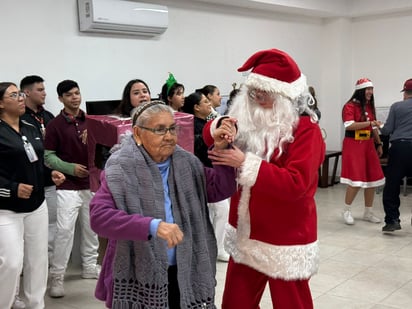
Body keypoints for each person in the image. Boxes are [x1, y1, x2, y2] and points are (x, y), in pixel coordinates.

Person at [203, 48, 325, 308]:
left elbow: (297, 183)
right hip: (246, 232)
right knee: (236, 303)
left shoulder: (306, 130)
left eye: (264, 93)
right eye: (252, 92)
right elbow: (208, 135)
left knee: (291, 303)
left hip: (286, 236)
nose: (256, 98)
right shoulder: (247, 118)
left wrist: (245, 163)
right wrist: (218, 128)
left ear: (284, 96)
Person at [89, 101, 237, 308]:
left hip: (185, 271)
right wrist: (152, 226)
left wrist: (222, 149)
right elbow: (99, 218)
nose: (169, 136)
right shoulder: (120, 168)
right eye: (159, 130)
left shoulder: (188, 163)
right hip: (139, 273)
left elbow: (221, 188)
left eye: (172, 128)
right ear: (138, 133)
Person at [0, 82, 65, 309]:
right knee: (11, 263)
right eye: (13, 94)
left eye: (20, 93)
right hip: (6, 210)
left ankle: (35, 304)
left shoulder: (30, 126)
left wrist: (51, 174)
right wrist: (12, 188)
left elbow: (36, 162)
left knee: (38, 261)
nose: (20, 97)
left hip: (37, 205)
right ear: (0, 103)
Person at [44, 80, 100, 298]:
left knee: (91, 228)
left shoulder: (93, 122)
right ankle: (57, 277)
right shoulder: (55, 125)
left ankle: (89, 267)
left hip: (91, 184)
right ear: (61, 98)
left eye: (77, 93)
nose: (75, 97)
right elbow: (48, 157)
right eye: (69, 95)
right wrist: (70, 168)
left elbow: (104, 150)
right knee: (65, 231)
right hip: (67, 185)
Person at [181, 92, 230, 262]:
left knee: (215, 211)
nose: (209, 104)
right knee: (220, 210)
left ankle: (213, 247)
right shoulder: (191, 126)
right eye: (205, 101)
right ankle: (216, 247)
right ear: (196, 107)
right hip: (201, 173)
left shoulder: (206, 122)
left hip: (208, 171)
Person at [20, 75, 57, 263]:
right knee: (28, 230)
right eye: (40, 90)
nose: (44, 93)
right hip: (28, 183)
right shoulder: (20, 118)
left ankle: (47, 262)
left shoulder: (48, 116)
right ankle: (26, 264)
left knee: (51, 224)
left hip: (50, 180)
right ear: (27, 92)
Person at [340, 78, 385, 225]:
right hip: (353, 145)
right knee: (356, 179)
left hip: (368, 145)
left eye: (371, 89)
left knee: (372, 179)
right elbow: (349, 125)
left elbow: (373, 128)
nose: (370, 92)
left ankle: (368, 212)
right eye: (367, 89)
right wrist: (370, 123)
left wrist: (378, 143)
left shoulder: (370, 107)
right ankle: (346, 210)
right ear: (360, 90)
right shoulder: (349, 106)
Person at [380, 78, 412, 232]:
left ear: (405, 93)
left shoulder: (396, 106)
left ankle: (392, 220)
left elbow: (386, 131)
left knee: (392, 185)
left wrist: (380, 126)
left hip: (399, 148)